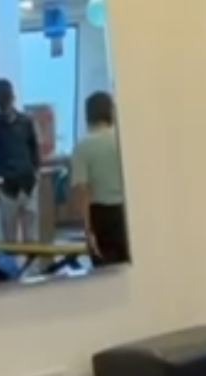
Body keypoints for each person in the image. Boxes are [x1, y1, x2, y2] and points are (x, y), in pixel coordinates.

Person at [70, 91, 129, 266]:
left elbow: (82, 191)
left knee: (106, 270)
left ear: (88, 115)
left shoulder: (82, 147)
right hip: (127, 210)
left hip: (102, 216)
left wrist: (88, 230)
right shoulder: (124, 139)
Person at [0, 79, 41, 243]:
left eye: (6, 99)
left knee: (31, 237)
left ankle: (31, 262)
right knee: (9, 238)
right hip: (6, 187)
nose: (4, 103)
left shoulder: (26, 122)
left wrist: (36, 173)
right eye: (1, 100)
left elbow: (35, 150)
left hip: (28, 184)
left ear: (12, 98)